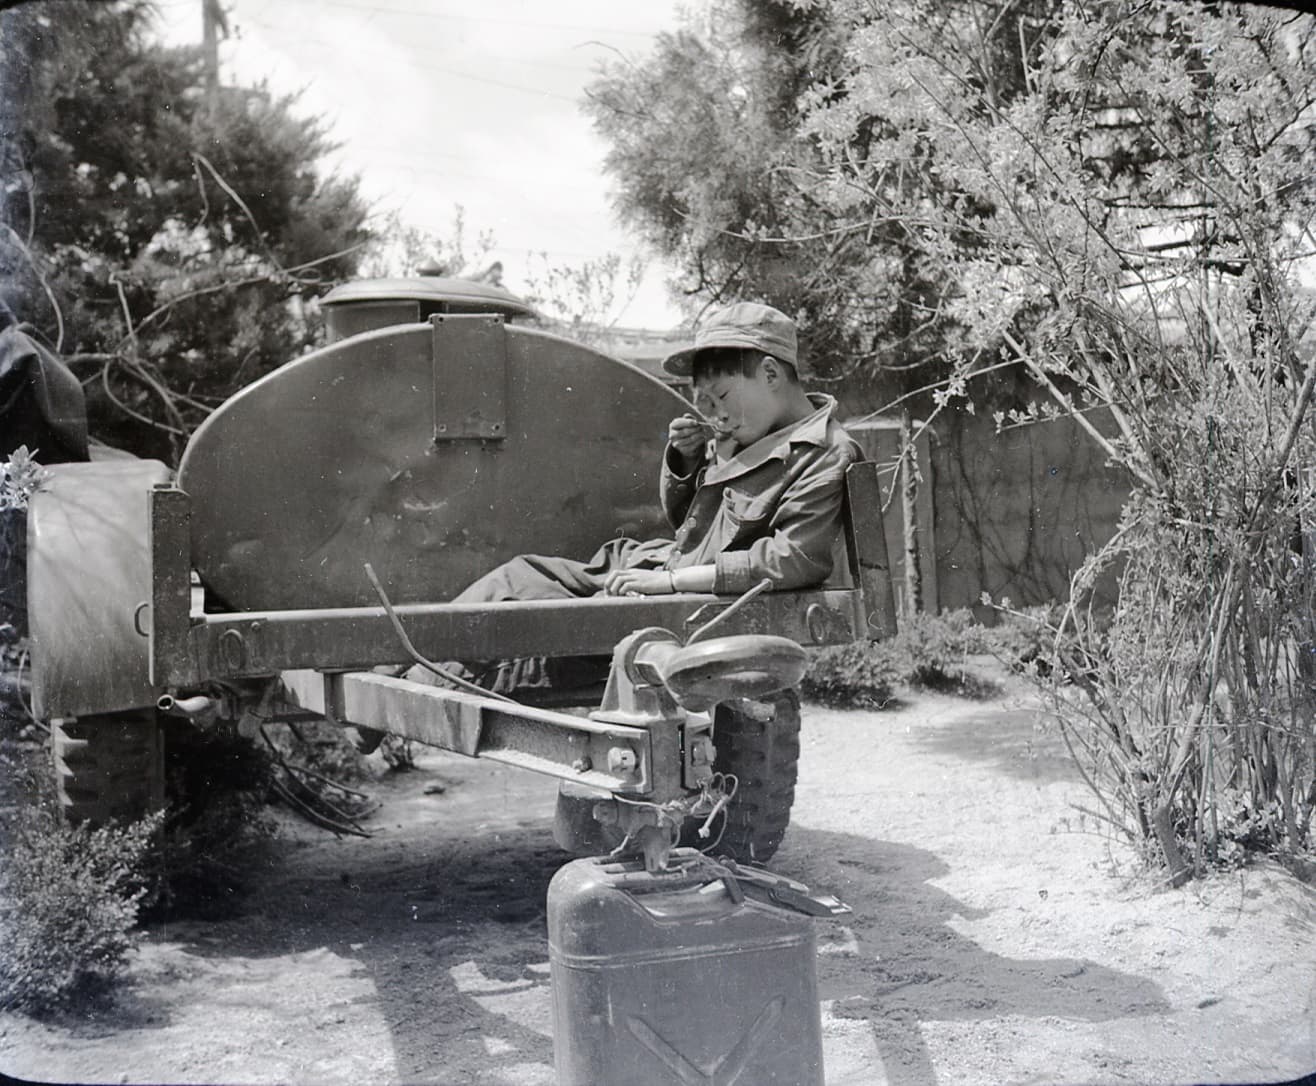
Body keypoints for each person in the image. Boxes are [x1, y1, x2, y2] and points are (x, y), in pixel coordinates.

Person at [385, 301, 863, 707]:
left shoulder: (824, 454)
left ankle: (395, 693)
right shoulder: (751, 427)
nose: (714, 415)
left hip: (686, 598)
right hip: (653, 565)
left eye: (720, 397)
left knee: (524, 645)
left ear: (772, 374)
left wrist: (668, 581)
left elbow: (792, 560)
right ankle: (387, 666)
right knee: (519, 577)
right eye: (705, 404)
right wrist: (685, 460)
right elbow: (691, 524)